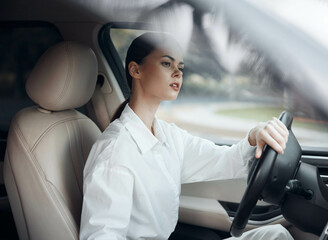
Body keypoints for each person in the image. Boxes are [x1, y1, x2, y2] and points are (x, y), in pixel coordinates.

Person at [80, 32, 293, 240]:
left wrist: (254, 136)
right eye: (166, 63)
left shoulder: (169, 135)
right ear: (136, 70)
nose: (178, 73)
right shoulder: (115, 152)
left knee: (276, 234)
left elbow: (223, 160)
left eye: (180, 67)